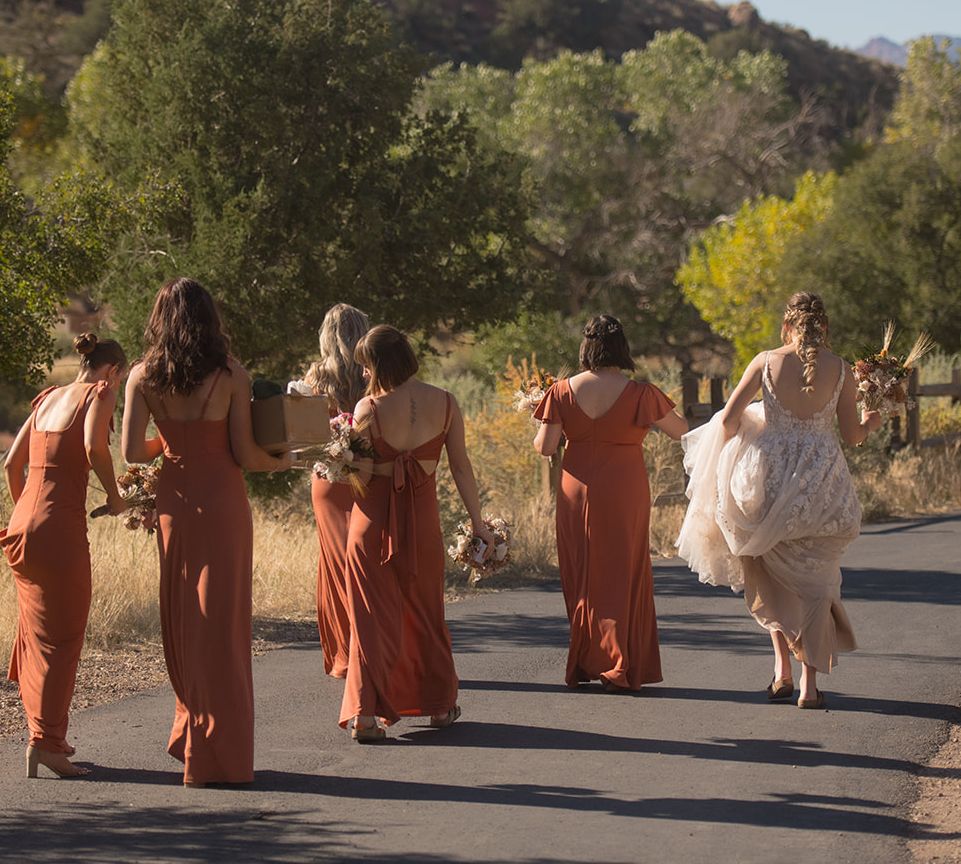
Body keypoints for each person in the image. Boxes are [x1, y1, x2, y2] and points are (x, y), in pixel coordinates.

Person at [120, 278, 291, 785]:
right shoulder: (233, 376)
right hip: (223, 500)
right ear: (208, 319)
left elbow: (131, 451)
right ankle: (222, 753)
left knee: (187, 619)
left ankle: (193, 733)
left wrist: (174, 446)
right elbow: (244, 454)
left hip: (174, 499)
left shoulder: (141, 376)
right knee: (224, 623)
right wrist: (281, 463)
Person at [678, 291, 881, 709]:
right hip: (821, 486)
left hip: (765, 478)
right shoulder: (841, 370)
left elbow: (730, 420)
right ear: (824, 328)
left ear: (786, 326)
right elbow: (852, 436)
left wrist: (758, 425)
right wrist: (871, 419)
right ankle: (809, 685)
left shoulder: (765, 361)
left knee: (767, 569)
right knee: (816, 581)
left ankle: (781, 672)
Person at [340, 325, 495, 742]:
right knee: (427, 611)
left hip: (371, 524)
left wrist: (335, 458)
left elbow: (360, 474)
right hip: (423, 525)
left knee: (369, 619)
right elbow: (462, 467)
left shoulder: (367, 408)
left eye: (366, 366)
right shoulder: (445, 403)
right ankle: (440, 706)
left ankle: (365, 716)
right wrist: (479, 525)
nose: (363, 375)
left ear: (377, 366)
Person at [533, 315, 688, 692]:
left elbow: (545, 447)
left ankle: (589, 658)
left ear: (585, 348)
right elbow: (684, 433)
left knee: (582, 570)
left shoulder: (561, 391)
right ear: (623, 349)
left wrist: (542, 416)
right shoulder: (643, 394)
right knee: (625, 570)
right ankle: (621, 661)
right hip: (626, 487)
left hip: (577, 488)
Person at [0, 332, 128, 779]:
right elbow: (95, 447)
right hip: (58, 529)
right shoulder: (101, 393)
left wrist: (26, 517)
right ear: (112, 371)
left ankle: (43, 736)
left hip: (22, 528)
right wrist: (116, 497)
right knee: (64, 637)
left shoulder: (49, 397)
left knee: (37, 637)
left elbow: (11, 466)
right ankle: (47, 745)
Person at [302, 302, 371, 678]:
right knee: (368, 563)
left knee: (335, 565)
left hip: (328, 480)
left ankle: (347, 652)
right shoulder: (373, 375)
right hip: (368, 474)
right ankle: (370, 648)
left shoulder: (315, 378)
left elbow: (307, 438)